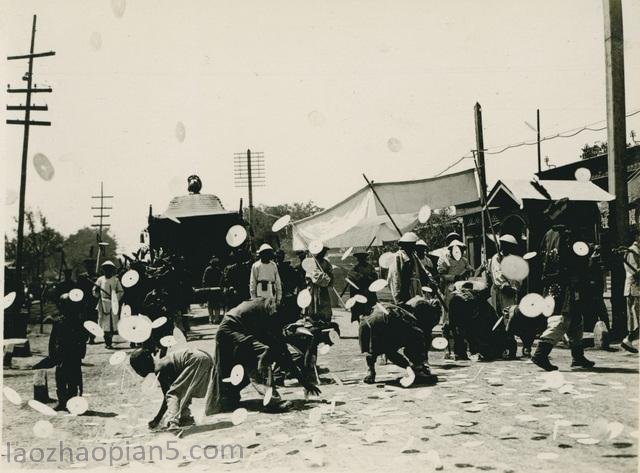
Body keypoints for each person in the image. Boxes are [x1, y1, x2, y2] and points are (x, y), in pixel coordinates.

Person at [204, 297, 320, 414]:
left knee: (247, 362)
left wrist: (305, 383)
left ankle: (228, 398)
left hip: (233, 329)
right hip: (230, 330)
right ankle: (272, 401)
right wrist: (305, 382)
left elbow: (284, 355)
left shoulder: (271, 308)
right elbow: (281, 353)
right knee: (263, 354)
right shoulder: (272, 315)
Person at [532, 199, 595, 371]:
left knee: (575, 320)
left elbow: (540, 260)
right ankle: (541, 353)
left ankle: (578, 356)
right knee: (562, 318)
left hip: (551, 283)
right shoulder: (569, 234)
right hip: (567, 283)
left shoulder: (548, 234)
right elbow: (576, 260)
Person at [359, 296, 439, 384]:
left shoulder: (408, 311)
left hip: (370, 321)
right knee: (378, 348)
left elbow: (390, 353)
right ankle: (417, 368)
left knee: (374, 348)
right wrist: (410, 366)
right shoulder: (411, 324)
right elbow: (392, 353)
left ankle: (371, 371)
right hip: (379, 321)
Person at [130, 347, 213, 430]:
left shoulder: (160, 368)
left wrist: (157, 419)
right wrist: (158, 418)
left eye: (137, 369)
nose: (137, 372)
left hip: (195, 359)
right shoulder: (161, 364)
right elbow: (176, 393)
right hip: (204, 357)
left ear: (143, 365)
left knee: (174, 393)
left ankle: (173, 423)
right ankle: (186, 418)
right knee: (182, 389)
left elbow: (169, 396)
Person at [49, 293, 87, 411]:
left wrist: (81, 353)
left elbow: (82, 339)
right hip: (61, 354)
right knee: (60, 379)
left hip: (73, 355)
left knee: (73, 380)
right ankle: (62, 402)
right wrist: (52, 354)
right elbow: (53, 340)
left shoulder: (78, 322)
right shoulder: (58, 322)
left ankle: (71, 401)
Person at [92, 260, 124, 349]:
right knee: (104, 323)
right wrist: (97, 291)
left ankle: (110, 340)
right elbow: (94, 291)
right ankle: (107, 342)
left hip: (113, 304)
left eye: (109, 269)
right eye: (106, 269)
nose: (108, 271)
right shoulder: (100, 279)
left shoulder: (116, 280)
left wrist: (114, 297)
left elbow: (121, 291)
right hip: (103, 304)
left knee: (112, 323)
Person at [387, 232, 422, 305]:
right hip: (403, 290)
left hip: (414, 288)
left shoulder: (414, 256)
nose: (414, 247)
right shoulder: (397, 257)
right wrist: (398, 297)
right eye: (412, 245)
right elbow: (395, 277)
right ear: (405, 245)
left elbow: (422, 270)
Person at [347, 249, 377, 322]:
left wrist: (369, 278)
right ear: (357, 259)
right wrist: (361, 277)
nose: (361, 259)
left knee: (369, 309)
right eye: (360, 258)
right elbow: (351, 277)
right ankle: (360, 322)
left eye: (363, 257)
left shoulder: (370, 267)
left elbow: (375, 277)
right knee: (359, 309)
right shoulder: (355, 268)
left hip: (369, 290)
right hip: (359, 291)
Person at [306, 246, 334, 322]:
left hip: (324, 289)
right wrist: (324, 277)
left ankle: (325, 320)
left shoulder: (326, 262)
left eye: (324, 252)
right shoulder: (311, 262)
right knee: (315, 305)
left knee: (325, 306)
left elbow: (331, 273)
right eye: (322, 252)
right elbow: (315, 276)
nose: (323, 254)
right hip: (314, 289)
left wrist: (329, 277)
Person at [623, 232, 640, 353]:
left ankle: (629, 340)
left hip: (636, 288)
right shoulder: (632, 251)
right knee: (636, 317)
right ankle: (628, 340)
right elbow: (634, 271)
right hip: (634, 288)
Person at [202, 257, 223, 324]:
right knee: (211, 304)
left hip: (215, 289)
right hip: (211, 289)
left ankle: (215, 318)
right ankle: (212, 317)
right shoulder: (208, 269)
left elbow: (221, 279)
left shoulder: (217, 270)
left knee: (215, 304)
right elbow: (204, 280)